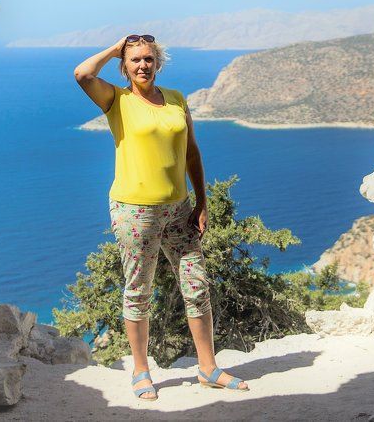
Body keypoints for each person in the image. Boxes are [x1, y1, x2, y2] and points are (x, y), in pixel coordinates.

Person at [73, 34, 249, 400]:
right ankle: (141, 372)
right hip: (135, 211)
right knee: (139, 290)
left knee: (197, 286)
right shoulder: (116, 100)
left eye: (148, 59)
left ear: (158, 63)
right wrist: (116, 47)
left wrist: (202, 202)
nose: (143, 65)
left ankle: (208, 368)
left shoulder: (176, 99)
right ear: (125, 66)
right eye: (135, 60)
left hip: (179, 209)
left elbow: (191, 153)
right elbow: (83, 74)